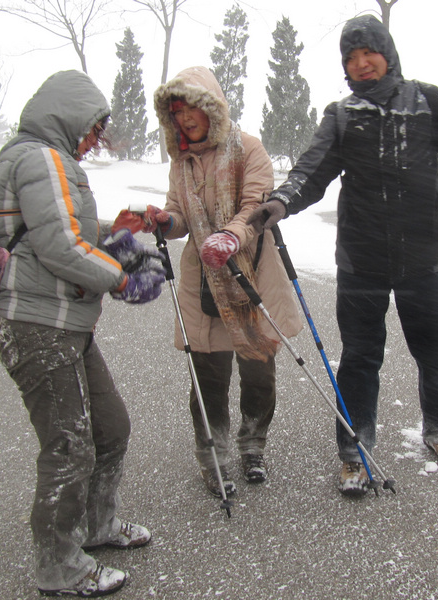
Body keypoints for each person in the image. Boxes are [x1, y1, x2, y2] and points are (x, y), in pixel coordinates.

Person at [247, 16, 438, 496]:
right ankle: (354, 451)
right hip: (361, 260)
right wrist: (281, 201)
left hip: (423, 258)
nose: (361, 65)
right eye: (351, 59)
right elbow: (312, 170)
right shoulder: (342, 115)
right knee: (360, 358)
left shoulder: (429, 101)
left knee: (434, 352)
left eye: (369, 54)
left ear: (388, 53)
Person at [0, 70, 165, 597]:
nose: (93, 142)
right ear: (69, 116)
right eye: (92, 130)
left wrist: (121, 228)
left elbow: (64, 232)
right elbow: (60, 248)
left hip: (68, 324)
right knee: (69, 447)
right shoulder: (41, 157)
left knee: (111, 429)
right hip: (40, 327)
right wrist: (122, 278)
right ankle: (58, 567)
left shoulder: (48, 160)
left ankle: (95, 527)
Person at [119, 66, 302, 498]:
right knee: (208, 376)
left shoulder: (248, 149)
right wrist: (164, 221)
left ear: (211, 108)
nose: (183, 118)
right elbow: (179, 218)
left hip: (252, 273)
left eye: (190, 108)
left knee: (259, 372)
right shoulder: (180, 162)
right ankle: (214, 458)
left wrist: (229, 235)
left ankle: (252, 444)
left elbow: (255, 209)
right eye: (174, 111)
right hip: (203, 278)